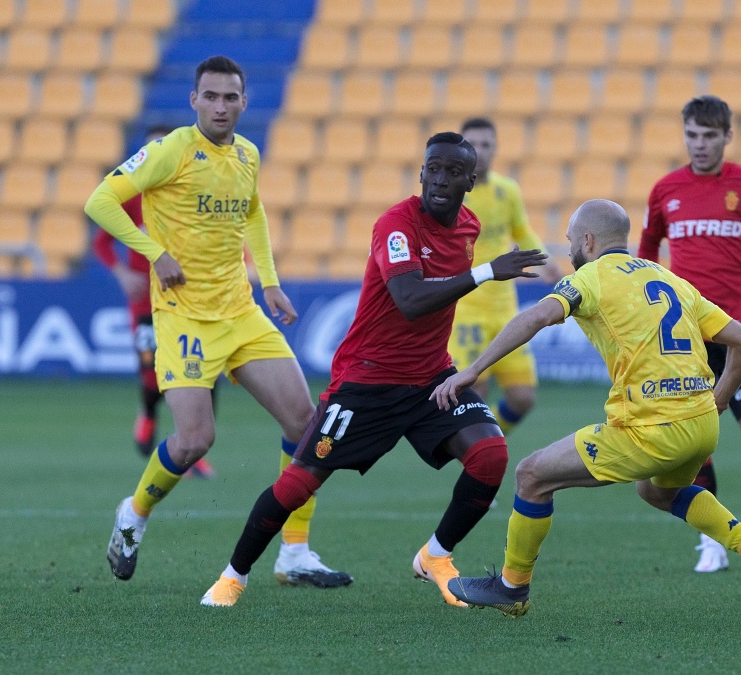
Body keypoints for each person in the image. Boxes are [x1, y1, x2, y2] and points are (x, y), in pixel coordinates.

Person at [198, 132, 548, 608]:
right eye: (433, 168)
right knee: (299, 483)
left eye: (452, 171)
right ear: (421, 172)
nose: (440, 179)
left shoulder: (468, 226)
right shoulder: (396, 226)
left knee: (490, 456)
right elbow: (409, 301)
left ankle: (436, 556)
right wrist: (487, 271)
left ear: (470, 180)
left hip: (430, 378)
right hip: (367, 379)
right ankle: (233, 576)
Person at [435, 200, 741, 623]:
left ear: (587, 241)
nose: (570, 250)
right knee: (657, 491)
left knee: (531, 476)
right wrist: (717, 400)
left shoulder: (588, 278)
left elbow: (535, 317)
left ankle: (512, 588)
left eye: (571, 241)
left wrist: (473, 370)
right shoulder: (668, 278)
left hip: (651, 427)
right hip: (700, 424)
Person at [84, 55, 350, 589]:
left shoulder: (248, 154)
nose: (221, 106)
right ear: (194, 100)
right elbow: (101, 201)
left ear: (244, 102)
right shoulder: (170, 150)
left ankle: (294, 553)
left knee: (307, 426)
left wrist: (269, 281)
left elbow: (252, 211)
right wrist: (153, 252)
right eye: (211, 96)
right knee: (194, 440)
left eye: (231, 97)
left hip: (242, 311)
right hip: (184, 317)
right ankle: (133, 514)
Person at [638, 96, 741, 573]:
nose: (700, 145)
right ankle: (713, 537)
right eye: (692, 135)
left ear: (727, 137)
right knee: (697, 442)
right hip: (688, 337)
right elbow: (648, 249)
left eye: (709, 136)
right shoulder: (665, 191)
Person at [92, 125, 216, 479]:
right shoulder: (131, 200)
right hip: (146, 305)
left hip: (185, 300)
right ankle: (148, 413)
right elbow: (101, 243)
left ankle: (191, 446)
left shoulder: (187, 195)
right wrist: (121, 273)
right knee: (151, 373)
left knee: (200, 376)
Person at [451, 118, 562, 436]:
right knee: (476, 394)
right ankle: (477, 454)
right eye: (473, 145)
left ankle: (487, 442)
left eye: (487, 145)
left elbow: (521, 230)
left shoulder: (507, 191)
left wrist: (544, 260)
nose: (481, 152)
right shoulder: (451, 194)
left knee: (523, 397)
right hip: (466, 309)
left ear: (496, 148)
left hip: (503, 308)